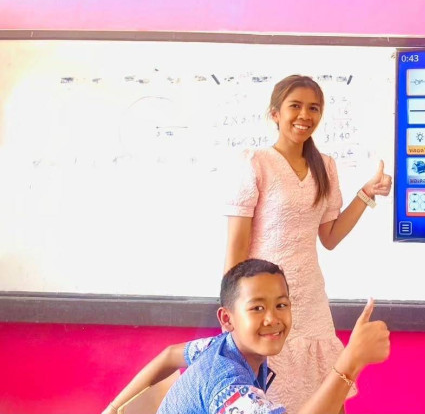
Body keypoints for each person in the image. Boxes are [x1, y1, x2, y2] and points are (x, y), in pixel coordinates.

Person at [224, 75, 393, 413]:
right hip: (266, 301)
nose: (305, 115)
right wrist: (236, 313)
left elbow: (330, 237)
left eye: (313, 108)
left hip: (311, 299)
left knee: (330, 390)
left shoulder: (325, 166)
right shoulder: (255, 163)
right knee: (270, 397)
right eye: (295, 106)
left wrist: (366, 193)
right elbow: (236, 252)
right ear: (275, 113)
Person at [102, 259, 390, 414]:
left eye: (281, 305)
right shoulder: (228, 386)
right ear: (227, 319)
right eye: (257, 308)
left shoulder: (220, 346)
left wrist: (114, 409)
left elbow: (169, 355)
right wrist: (350, 361)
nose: (272, 318)